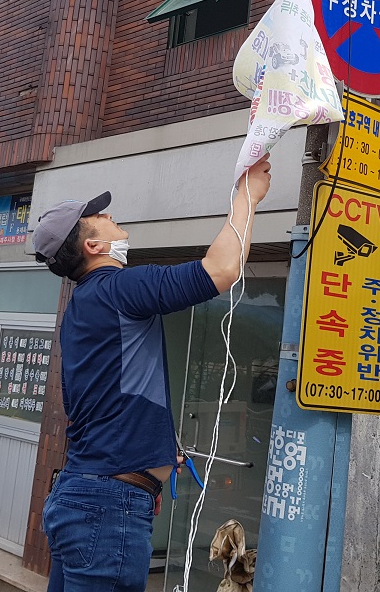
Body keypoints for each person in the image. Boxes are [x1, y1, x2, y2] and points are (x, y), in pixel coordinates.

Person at [32, 156, 273, 592]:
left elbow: (112, 400)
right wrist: (247, 197)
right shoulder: (118, 289)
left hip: (86, 497)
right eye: (97, 216)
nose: (108, 215)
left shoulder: (83, 308)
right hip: (107, 508)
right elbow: (221, 270)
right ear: (92, 246)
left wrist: (156, 457)